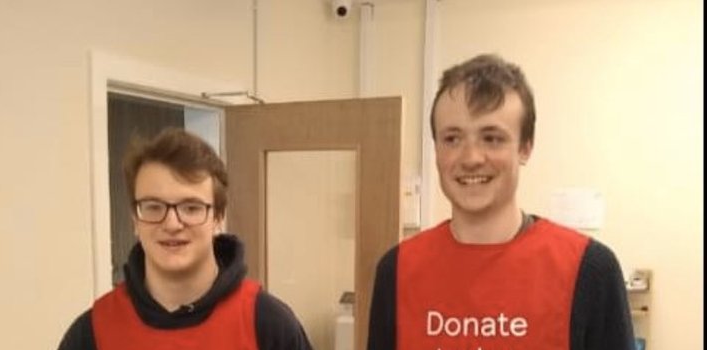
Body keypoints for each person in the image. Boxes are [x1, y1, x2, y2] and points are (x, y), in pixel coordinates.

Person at [367, 54, 635, 350]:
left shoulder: (589, 269)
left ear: (525, 148)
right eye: (452, 139)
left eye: (492, 138)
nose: (470, 158)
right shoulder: (398, 269)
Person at [59, 128, 312, 350]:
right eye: (153, 206)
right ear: (135, 219)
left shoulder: (269, 326)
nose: (171, 224)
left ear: (218, 217)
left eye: (191, 208)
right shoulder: (92, 333)